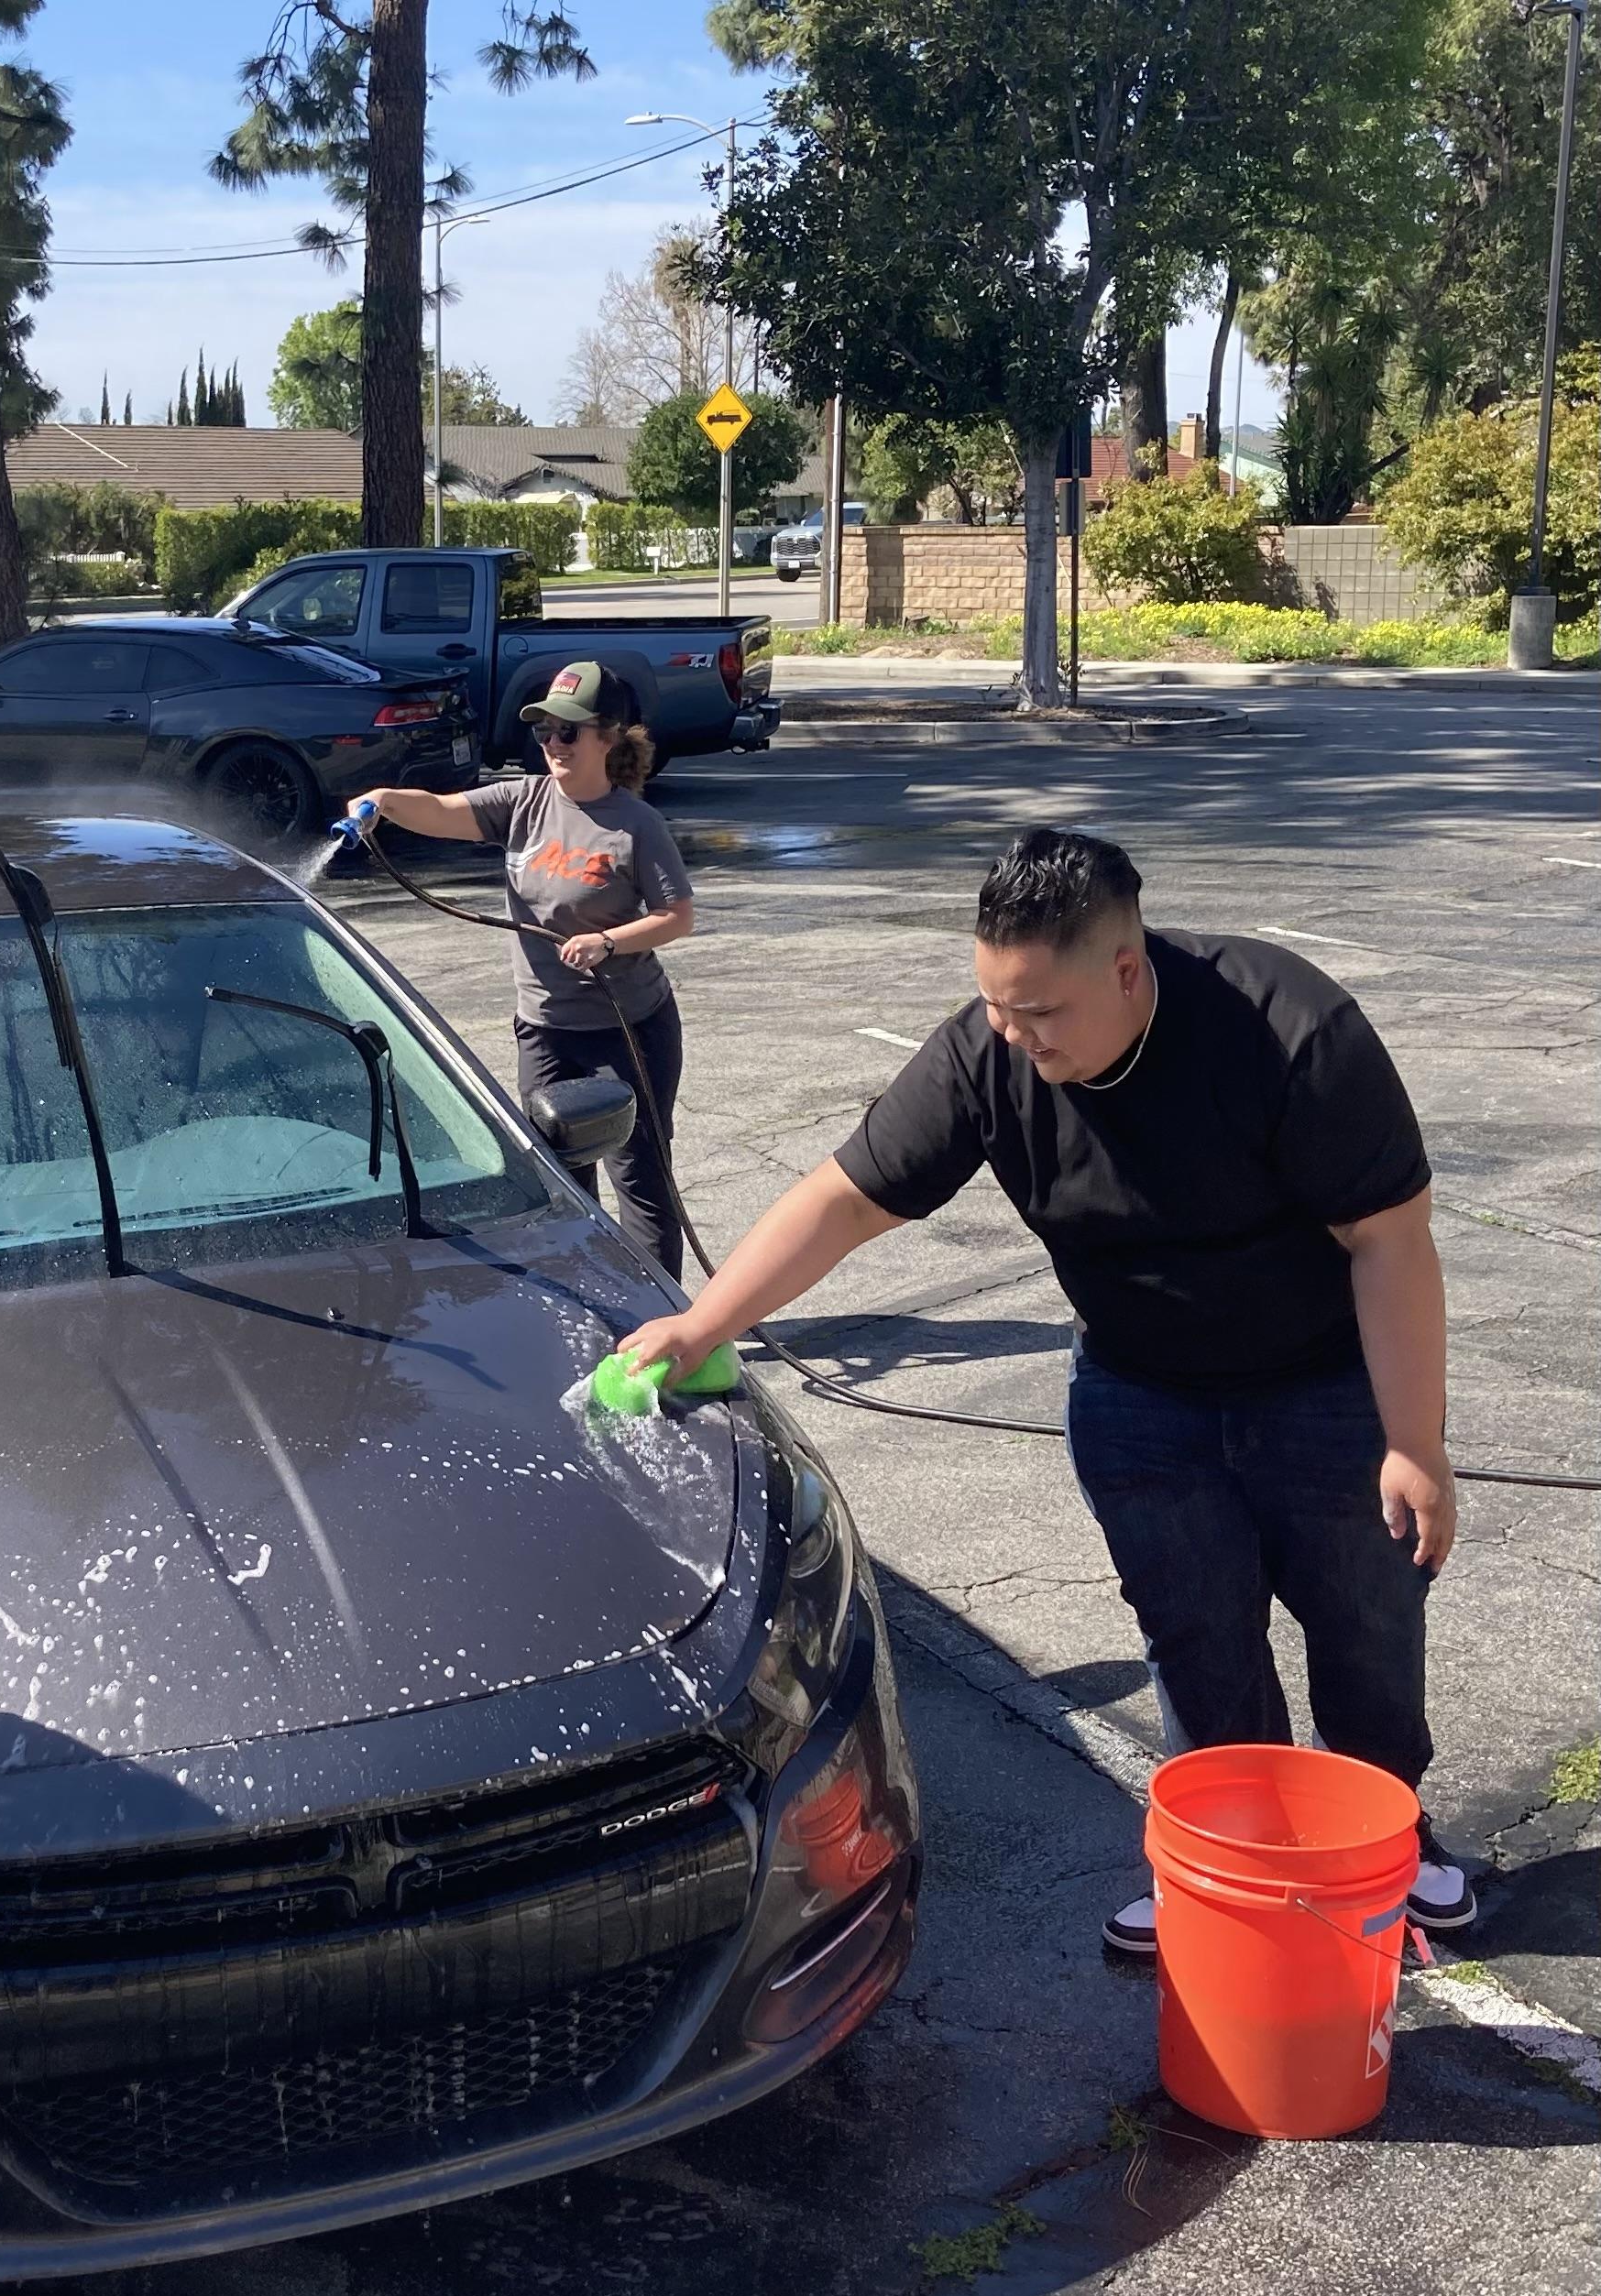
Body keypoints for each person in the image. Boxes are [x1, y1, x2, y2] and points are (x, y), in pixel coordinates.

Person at [617, 826, 1476, 1955]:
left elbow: (1388, 1241)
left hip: (1325, 1389)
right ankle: (1228, 1868)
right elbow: (851, 1195)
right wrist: (704, 1320)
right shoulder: (989, 1051)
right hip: (1140, 1396)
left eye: (1040, 1014)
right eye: (997, 1008)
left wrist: (1413, 1440)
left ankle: (1389, 1835)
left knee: (1364, 1626)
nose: (1015, 1037)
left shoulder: (1287, 1028)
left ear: (1127, 970)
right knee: (1197, 1641)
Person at [356, 658, 698, 1276]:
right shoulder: (522, 801)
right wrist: (381, 802)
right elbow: (436, 808)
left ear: (607, 734)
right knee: (559, 1181)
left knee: (640, 1179)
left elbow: (676, 916)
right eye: (543, 731)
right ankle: (592, 1307)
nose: (552, 744)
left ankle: (661, 1327)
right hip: (543, 1030)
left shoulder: (636, 824)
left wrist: (609, 940)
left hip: (627, 1029)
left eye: (567, 731)